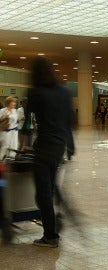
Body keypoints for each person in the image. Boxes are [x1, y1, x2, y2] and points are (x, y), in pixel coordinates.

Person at [27, 56, 73, 248]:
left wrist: (25, 144)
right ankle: (56, 217)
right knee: (52, 186)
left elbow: (29, 123)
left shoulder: (35, 92)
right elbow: (69, 120)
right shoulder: (64, 91)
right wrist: (70, 145)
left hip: (44, 146)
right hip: (58, 147)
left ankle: (50, 235)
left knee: (43, 194)